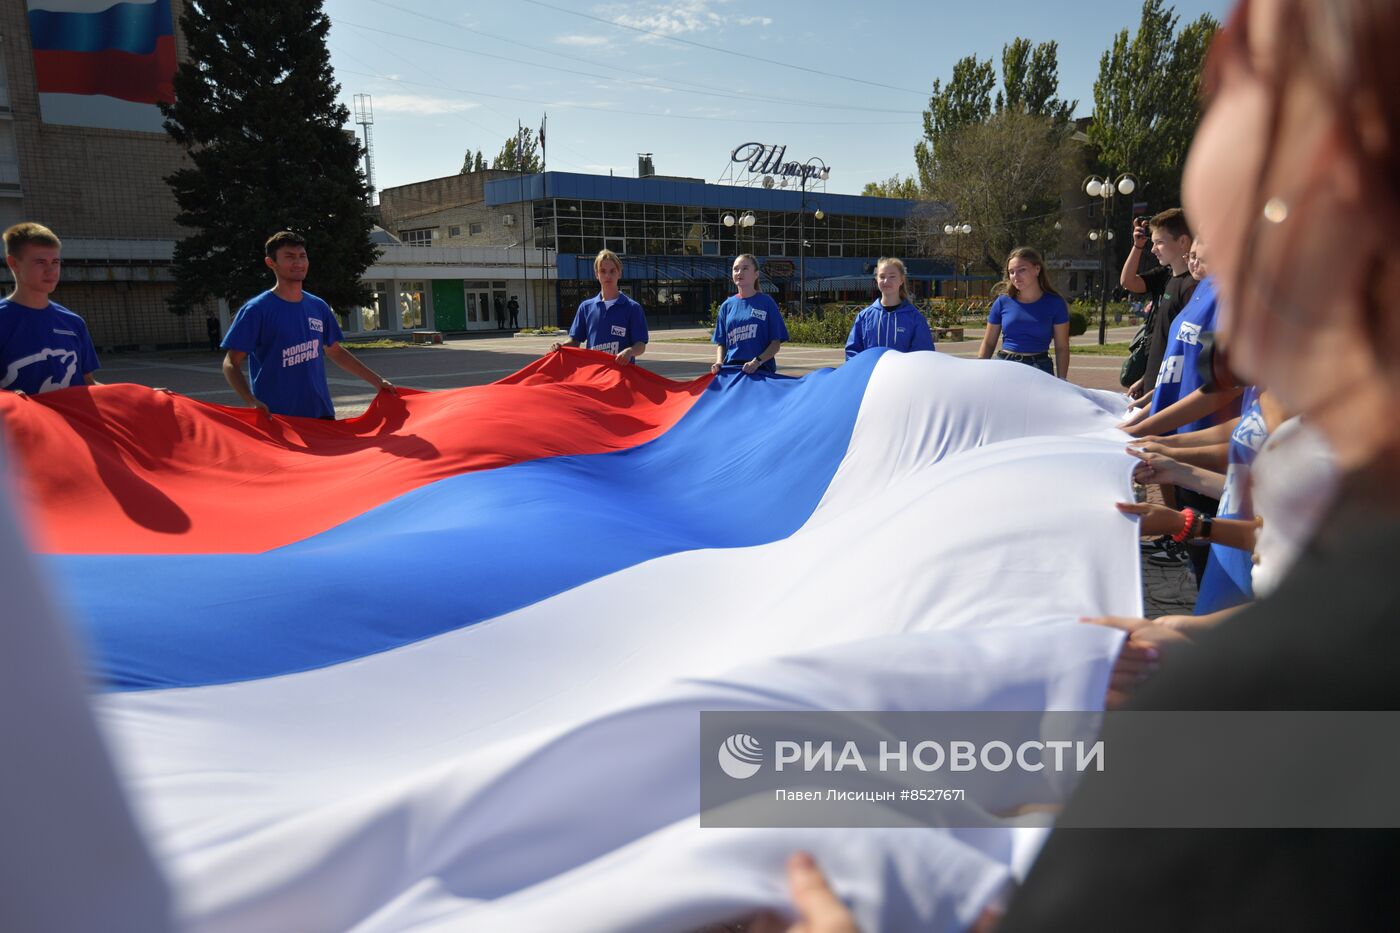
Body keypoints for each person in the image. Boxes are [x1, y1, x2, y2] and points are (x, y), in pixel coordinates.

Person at [767, 1, 1400, 928]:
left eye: (1230, 75)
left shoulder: (1283, 711)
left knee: (759, 762)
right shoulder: (1316, 649)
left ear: (1322, 181)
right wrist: (1204, 645)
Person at [221, 231, 394, 419]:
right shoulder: (256, 310)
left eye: (302, 256)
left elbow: (335, 351)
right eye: (289, 257)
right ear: (271, 263)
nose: (298, 263)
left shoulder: (318, 306)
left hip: (322, 414)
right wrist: (250, 400)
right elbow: (231, 363)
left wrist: (377, 381)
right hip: (277, 417)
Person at [0, 222, 101, 396]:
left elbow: (88, 384)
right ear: (13, 263)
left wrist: (141, 398)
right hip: (19, 423)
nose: (51, 270)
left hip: (67, 423)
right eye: (40, 262)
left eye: (55, 261)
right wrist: (9, 401)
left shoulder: (73, 323)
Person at [1121, 208, 1197, 400]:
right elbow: (1128, 282)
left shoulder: (1193, 287)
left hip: (1171, 390)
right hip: (1156, 383)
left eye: (1159, 243)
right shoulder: (1168, 277)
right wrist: (1147, 378)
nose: (1153, 249)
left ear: (1182, 242)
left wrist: (1158, 389)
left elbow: (1186, 349)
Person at [976, 247, 1071, 379]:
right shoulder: (1002, 302)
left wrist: (1062, 379)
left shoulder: (1055, 303)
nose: (1016, 276)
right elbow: (988, 343)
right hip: (1005, 366)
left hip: (1040, 368)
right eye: (1011, 272)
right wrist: (978, 372)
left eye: (1022, 270)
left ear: (1037, 269)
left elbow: (1062, 347)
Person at [549, 249, 648, 364]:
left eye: (612, 271)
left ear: (619, 273)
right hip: (595, 374)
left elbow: (640, 344)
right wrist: (561, 346)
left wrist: (630, 351)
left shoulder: (632, 308)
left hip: (621, 376)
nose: (608, 276)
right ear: (597, 274)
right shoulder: (586, 308)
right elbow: (575, 341)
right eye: (603, 271)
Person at [843, 257, 935, 359]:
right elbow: (853, 352)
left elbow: (923, 354)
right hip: (873, 375)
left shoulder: (915, 318)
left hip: (903, 374)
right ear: (876, 279)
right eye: (882, 276)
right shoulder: (864, 317)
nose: (886, 281)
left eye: (892, 276)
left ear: (902, 280)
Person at [711, 254, 788, 375]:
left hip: (761, 371)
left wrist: (757, 362)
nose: (739, 272)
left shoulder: (767, 303)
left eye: (745, 268)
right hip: (732, 371)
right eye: (736, 269)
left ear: (756, 274)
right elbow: (722, 344)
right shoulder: (726, 306)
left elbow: (775, 344)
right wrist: (719, 362)